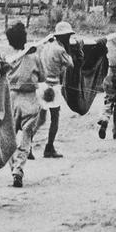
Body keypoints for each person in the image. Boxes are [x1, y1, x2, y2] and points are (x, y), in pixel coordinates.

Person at [4, 22, 46, 187]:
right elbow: (42, 77)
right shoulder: (34, 57)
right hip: (29, 98)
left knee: (9, 138)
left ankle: (14, 166)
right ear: (25, 38)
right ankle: (19, 168)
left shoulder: (7, 58)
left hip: (10, 98)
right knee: (26, 136)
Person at [38, 21, 75, 157]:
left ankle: (28, 145)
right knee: (55, 117)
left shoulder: (46, 46)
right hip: (53, 85)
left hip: (42, 84)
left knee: (40, 118)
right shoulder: (61, 49)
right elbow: (71, 64)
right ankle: (49, 147)